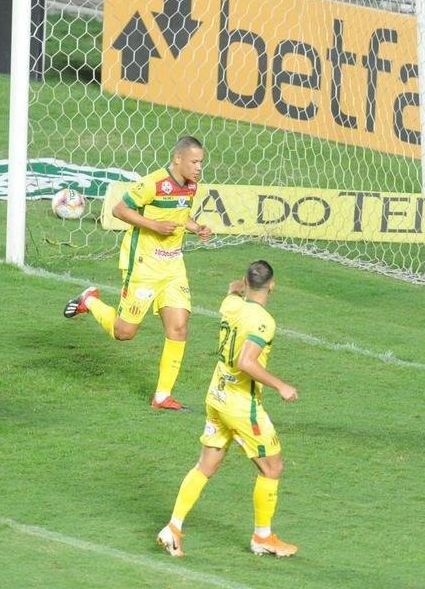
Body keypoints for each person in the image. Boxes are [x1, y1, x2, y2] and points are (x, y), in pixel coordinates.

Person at [156, 260, 299, 559]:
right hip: (241, 405)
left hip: (216, 394)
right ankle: (263, 537)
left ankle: (174, 527)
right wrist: (281, 386)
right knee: (272, 468)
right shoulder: (264, 322)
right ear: (272, 286)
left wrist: (237, 288)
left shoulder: (230, 305)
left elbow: (232, 290)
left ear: (246, 282)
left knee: (205, 466)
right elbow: (247, 362)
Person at [63, 136, 213, 410]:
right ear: (178, 159)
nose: (199, 167)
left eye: (201, 162)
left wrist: (196, 227)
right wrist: (153, 225)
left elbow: (181, 216)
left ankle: (162, 396)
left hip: (173, 266)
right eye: (194, 161)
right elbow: (119, 209)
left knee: (179, 328)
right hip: (144, 264)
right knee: (124, 333)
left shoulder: (191, 186)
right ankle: (89, 300)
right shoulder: (153, 183)